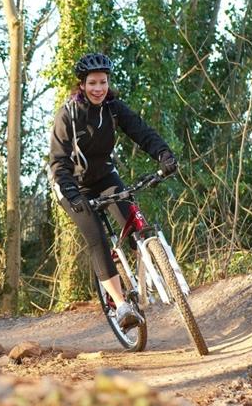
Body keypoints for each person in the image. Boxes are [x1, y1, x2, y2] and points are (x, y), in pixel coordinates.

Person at [49, 53, 178, 329]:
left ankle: (152, 268)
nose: (98, 88)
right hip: (72, 185)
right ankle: (120, 306)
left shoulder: (114, 108)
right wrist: (72, 194)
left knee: (133, 223)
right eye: (92, 83)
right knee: (98, 239)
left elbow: (142, 133)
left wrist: (164, 155)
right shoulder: (68, 114)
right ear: (82, 84)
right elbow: (58, 162)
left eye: (103, 82)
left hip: (105, 177)